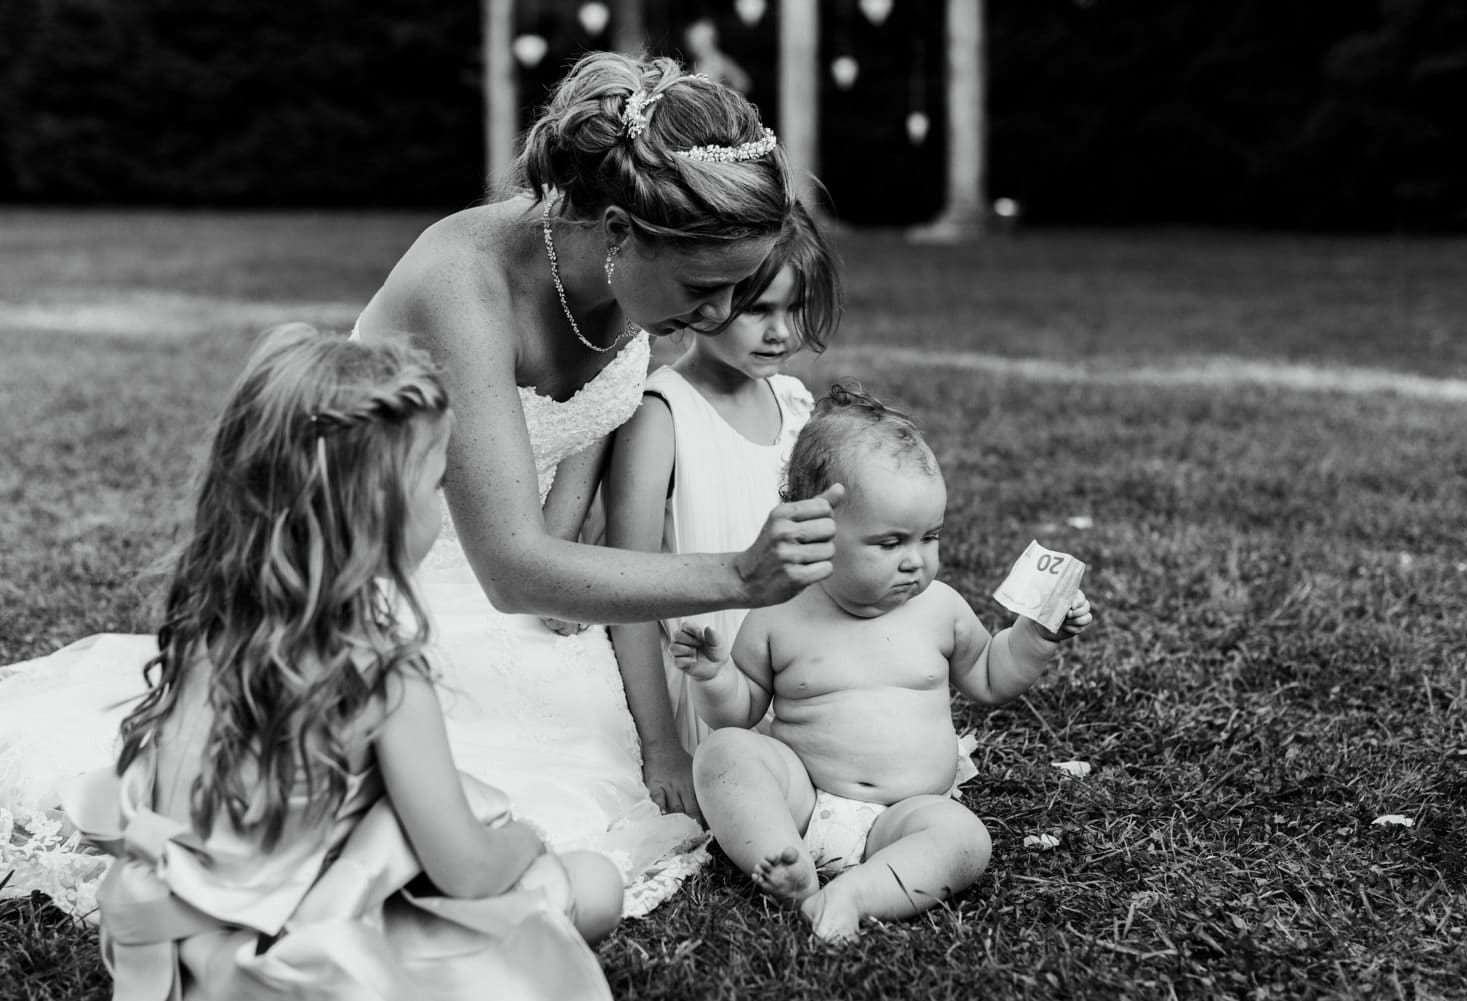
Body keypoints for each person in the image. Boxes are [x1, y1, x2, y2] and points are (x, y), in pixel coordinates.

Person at [0, 50, 839, 919]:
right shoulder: (462, 283)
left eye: (741, 284)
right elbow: (511, 571)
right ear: (620, 230)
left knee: (628, 750)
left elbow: (599, 394)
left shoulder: (643, 272)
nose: (722, 315)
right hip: (378, 573)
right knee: (523, 820)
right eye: (708, 289)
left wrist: (566, 537)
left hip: (512, 570)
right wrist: (736, 575)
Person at [60, 324, 621, 999]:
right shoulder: (382, 673)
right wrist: (526, 841)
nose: (440, 507)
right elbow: (466, 869)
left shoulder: (212, 637)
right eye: (434, 482)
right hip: (310, 960)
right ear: (375, 510)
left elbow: (185, 830)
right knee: (592, 883)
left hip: (187, 944)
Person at [671, 386, 1095, 943]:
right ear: (815, 533)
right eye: (891, 542)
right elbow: (740, 712)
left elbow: (992, 675)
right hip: (806, 797)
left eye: (930, 536)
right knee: (723, 754)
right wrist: (713, 675)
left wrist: (1036, 634)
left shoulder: (939, 608)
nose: (916, 560)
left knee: (965, 839)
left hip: (907, 812)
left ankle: (858, 892)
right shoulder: (780, 614)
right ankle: (784, 855)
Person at [603, 201, 842, 821]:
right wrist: (661, 749)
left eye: (794, 308)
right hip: (703, 676)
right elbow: (628, 597)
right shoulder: (662, 416)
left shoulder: (793, 403)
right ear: (707, 299)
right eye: (759, 309)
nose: (782, 333)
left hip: (793, 675)